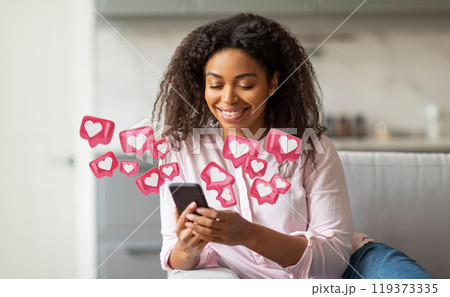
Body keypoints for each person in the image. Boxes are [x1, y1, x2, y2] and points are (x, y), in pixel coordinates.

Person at [153, 13, 434, 279]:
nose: (228, 99)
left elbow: (335, 261)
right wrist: (189, 247)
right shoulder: (182, 151)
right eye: (215, 85)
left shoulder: (312, 148)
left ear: (273, 83)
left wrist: (247, 234)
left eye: (246, 85)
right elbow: (174, 257)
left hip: (356, 265)